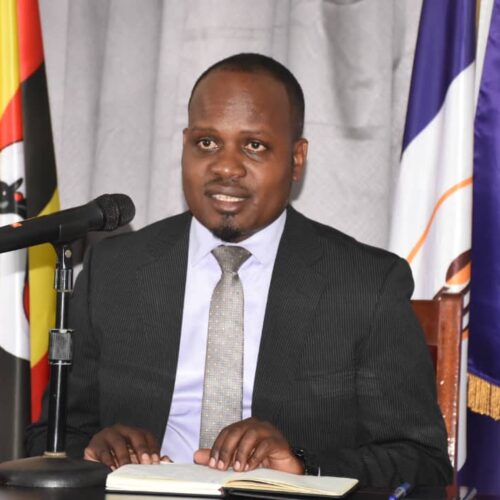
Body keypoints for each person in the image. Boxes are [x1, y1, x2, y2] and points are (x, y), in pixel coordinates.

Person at [26, 53, 452, 487]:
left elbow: (423, 465)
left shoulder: (365, 283)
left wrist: (304, 467)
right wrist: (92, 449)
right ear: (185, 145)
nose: (226, 167)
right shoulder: (115, 270)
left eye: (255, 146)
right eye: (207, 143)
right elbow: (49, 438)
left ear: (297, 159)